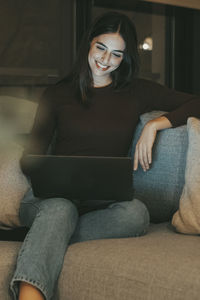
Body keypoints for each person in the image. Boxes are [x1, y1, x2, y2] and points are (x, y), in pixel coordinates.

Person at [10, 11, 200, 300]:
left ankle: (48, 237)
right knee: (61, 210)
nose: (105, 60)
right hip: (48, 201)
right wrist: (45, 169)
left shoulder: (136, 91)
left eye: (116, 54)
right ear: (89, 43)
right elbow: (30, 155)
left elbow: (196, 102)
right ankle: (29, 294)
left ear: (125, 58)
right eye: (101, 48)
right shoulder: (57, 94)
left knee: (136, 213)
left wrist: (155, 124)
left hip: (98, 204)